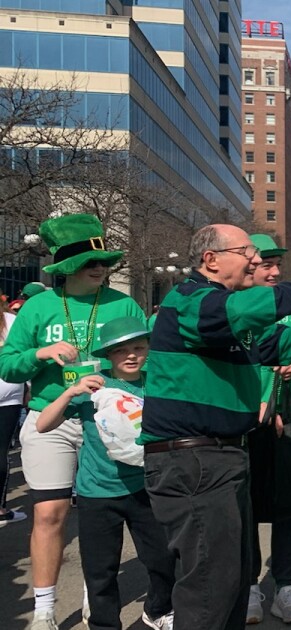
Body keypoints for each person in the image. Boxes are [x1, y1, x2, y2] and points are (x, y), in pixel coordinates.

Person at [139, 225, 291, 630]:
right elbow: (244, 312)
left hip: (223, 455)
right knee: (209, 587)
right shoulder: (191, 301)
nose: (256, 260)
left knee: (231, 579)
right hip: (193, 457)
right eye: (247, 252)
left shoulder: (227, 314)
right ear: (210, 259)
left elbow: (280, 347)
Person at [0, 214, 144, 630]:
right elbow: (8, 366)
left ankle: (93, 591)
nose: (100, 269)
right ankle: (44, 607)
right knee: (49, 514)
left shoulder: (123, 303)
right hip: (53, 417)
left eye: (104, 263)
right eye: (88, 263)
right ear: (65, 266)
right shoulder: (39, 307)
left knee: (105, 513)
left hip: (109, 418)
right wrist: (40, 355)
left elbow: (145, 355)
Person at [35, 317, 175, 630]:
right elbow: (43, 424)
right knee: (100, 572)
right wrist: (70, 393)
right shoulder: (93, 386)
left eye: (139, 348)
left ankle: (157, 610)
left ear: (148, 350)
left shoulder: (156, 382)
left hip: (145, 489)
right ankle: (104, 625)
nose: (131, 355)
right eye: (121, 350)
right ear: (108, 355)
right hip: (97, 492)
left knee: (164, 560)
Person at [244, 234, 291, 625]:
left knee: (289, 504)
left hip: (289, 416)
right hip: (243, 423)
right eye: (266, 264)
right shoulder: (231, 309)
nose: (274, 271)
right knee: (247, 506)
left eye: (277, 264)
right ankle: (251, 587)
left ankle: (285, 587)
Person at [0, 297, 26, 525]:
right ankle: (0, 509)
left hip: (9, 392)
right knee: (1, 451)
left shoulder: (10, 320)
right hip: (8, 392)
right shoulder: (11, 321)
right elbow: (21, 356)